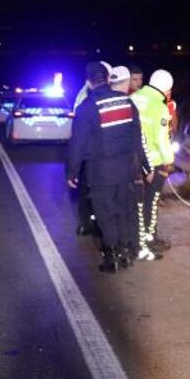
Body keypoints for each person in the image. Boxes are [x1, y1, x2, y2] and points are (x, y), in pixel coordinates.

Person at [67, 62, 151, 273]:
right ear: (107, 78)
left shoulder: (86, 107)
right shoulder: (127, 102)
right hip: (126, 169)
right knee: (123, 209)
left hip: (100, 171)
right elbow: (137, 139)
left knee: (106, 213)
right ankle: (125, 251)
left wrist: (72, 172)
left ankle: (112, 256)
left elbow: (77, 144)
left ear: (88, 81)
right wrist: (145, 166)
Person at [131, 69, 175, 259]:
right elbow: (161, 139)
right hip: (154, 162)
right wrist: (169, 160)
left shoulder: (134, 97)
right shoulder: (160, 107)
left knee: (137, 203)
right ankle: (150, 239)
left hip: (133, 161)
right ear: (166, 89)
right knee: (151, 201)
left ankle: (137, 237)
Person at [73, 61, 113, 238]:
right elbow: (80, 132)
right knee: (87, 192)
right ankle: (87, 224)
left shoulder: (88, 95)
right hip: (91, 154)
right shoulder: (85, 98)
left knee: (92, 192)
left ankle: (91, 223)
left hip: (96, 152)